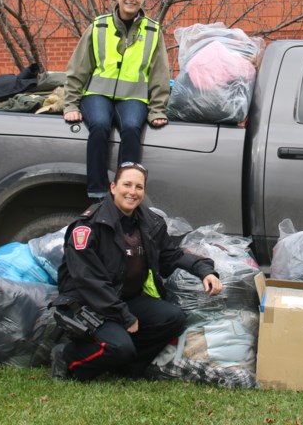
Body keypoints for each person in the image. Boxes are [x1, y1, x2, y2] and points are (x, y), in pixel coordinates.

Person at [51, 162, 222, 381]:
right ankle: (68, 357)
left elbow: (171, 255)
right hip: (87, 301)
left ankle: (128, 366)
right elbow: (88, 281)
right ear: (113, 187)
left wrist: (204, 270)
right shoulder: (88, 227)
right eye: (127, 185)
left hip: (124, 298)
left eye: (139, 187)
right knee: (119, 346)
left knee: (173, 318)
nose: (132, 192)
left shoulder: (149, 222)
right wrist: (124, 316)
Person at [63, 0, 170, 199]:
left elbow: (160, 73)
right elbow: (79, 66)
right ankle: (98, 191)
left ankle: (125, 190)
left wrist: (157, 109)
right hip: (97, 94)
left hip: (133, 96)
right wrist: (71, 104)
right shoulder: (99, 25)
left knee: (132, 128)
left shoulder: (152, 30)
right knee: (100, 125)